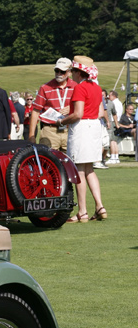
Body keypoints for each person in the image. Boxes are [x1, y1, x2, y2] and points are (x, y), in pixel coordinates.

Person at [60, 57, 106, 222]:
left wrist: (62, 120)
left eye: (72, 71)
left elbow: (78, 114)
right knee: (89, 169)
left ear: (79, 72)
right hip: (94, 127)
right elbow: (101, 112)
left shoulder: (79, 88)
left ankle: (83, 211)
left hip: (82, 128)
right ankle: (100, 206)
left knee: (79, 170)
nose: (71, 74)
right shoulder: (97, 87)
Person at [28, 58, 75, 152]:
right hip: (50, 130)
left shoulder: (76, 86)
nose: (59, 74)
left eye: (62, 71)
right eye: (56, 71)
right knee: (48, 163)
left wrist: (72, 108)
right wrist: (31, 135)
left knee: (71, 163)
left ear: (69, 72)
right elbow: (36, 111)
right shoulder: (45, 88)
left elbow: (83, 107)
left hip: (70, 129)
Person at [106, 90, 123, 164]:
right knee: (115, 141)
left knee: (112, 141)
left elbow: (113, 113)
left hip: (113, 122)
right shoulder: (119, 103)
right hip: (117, 122)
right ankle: (116, 157)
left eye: (110, 95)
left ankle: (113, 157)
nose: (108, 97)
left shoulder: (113, 103)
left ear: (114, 96)